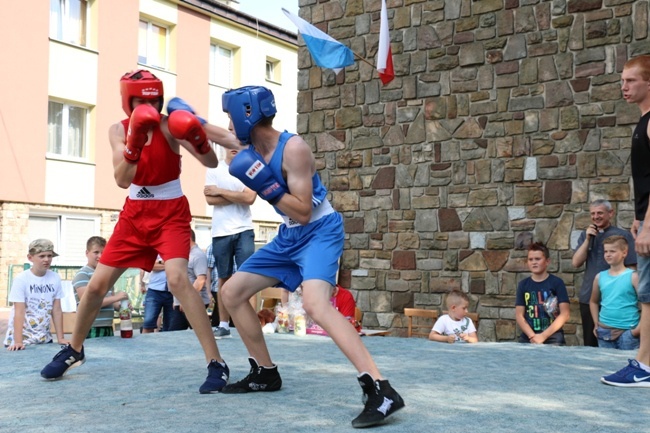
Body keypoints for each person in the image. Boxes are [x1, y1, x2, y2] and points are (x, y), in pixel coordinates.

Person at [40, 69, 242, 393]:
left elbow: (209, 161)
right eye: (141, 100)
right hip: (134, 215)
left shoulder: (169, 124)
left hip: (170, 213)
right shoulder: (117, 130)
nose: (150, 105)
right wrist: (135, 141)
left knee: (178, 279)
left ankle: (216, 362)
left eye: (153, 99)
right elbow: (122, 179)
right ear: (127, 101)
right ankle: (74, 349)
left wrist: (195, 131)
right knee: (95, 287)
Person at [219, 85, 404, 428]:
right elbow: (212, 133)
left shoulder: (295, 149)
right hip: (288, 237)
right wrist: (170, 120)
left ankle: (380, 389)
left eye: (230, 117)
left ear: (247, 115)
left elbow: (304, 211)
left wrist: (263, 186)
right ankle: (264, 372)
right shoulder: (251, 145)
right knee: (231, 293)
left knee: (317, 305)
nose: (228, 125)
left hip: (318, 230)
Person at [601, 55, 650, 386]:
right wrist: (637, 217)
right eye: (622, 80)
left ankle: (644, 366)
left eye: (631, 80)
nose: (624, 86)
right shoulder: (643, 122)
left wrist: (649, 223)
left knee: (647, 296)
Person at [204, 146, 256, 339]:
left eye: (239, 143)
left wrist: (220, 191)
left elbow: (250, 197)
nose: (234, 146)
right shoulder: (214, 169)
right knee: (223, 277)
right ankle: (224, 324)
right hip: (221, 231)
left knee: (248, 276)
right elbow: (210, 200)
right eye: (230, 142)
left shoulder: (249, 168)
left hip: (244, 229)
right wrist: (237, 195)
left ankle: (248, 324)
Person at [572, 199, 637, 347]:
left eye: (600, 213)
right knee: (591, 345)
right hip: (590, 297)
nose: (596, 216)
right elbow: (576, 263)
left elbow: (632, 267)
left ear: (611, 213)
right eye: (593, 213)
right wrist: (588, 239)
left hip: (616, 300)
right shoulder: (586, 235)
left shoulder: (622, 236)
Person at [4, 239, 69, 350]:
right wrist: (18, 341)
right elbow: (19, 311)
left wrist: (61, 338)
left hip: (44, 338)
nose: (46, 259)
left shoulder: (55, 277)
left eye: (49, 256)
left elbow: (56, 309)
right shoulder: (21, 279)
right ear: (30, 258)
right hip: (22, 340)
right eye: (42, 256)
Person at [590, 235, 640, 350]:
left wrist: (638, 330)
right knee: (605, 366)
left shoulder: (633, 276)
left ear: (624, 253)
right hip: (604, 331)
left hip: (628, 332)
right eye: (606, 251)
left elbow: (646, 303)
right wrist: (596, 323)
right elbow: (593, 301)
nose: (608, 254)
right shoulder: (599, 277)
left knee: (628, 366)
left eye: (612, 251)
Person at [515, 242, 571, 345]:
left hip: (552, 336)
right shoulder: (523, 285)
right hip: (529, 336)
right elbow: (519, 315)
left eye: (538, 259)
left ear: (547, 261)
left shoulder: (557, 283)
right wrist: (532, 336)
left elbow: (565, 314)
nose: (534, 262)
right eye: (530, 259)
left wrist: (543, 336)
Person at [72, 236, 129, 338]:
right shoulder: (82, 274)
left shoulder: (106, 275)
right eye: (96, 252)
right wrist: (117, 297)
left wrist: (122, 306)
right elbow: (89, 302)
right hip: (90, 327)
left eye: (103, 253)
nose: (100, 256)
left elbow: (112, 302)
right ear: (87, 253)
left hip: (107, 325)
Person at [169, 230, 210, 331]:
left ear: (187, 238)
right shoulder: (184, 255)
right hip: (182, 302)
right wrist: (177, 300)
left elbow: (201, 280)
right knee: (176, 334)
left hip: (193, 302)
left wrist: (187, 300)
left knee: (199, 333)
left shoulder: (197, 255)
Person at [140, 257, 173, 333]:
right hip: (154, 291)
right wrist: (170, 264)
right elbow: (149, 265)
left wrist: (160, 263)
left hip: (172, 292)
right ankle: (144, 344)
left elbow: (179, 266)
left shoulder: (175, 249)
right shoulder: (155, 249)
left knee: (170, 327)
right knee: (148, 324)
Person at [205, 242, 220, 328]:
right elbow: (207, 270)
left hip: (236, 292)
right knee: (215, 320)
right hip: (216, 291)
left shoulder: (239, 247)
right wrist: (208, 292)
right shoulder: (213, 247)